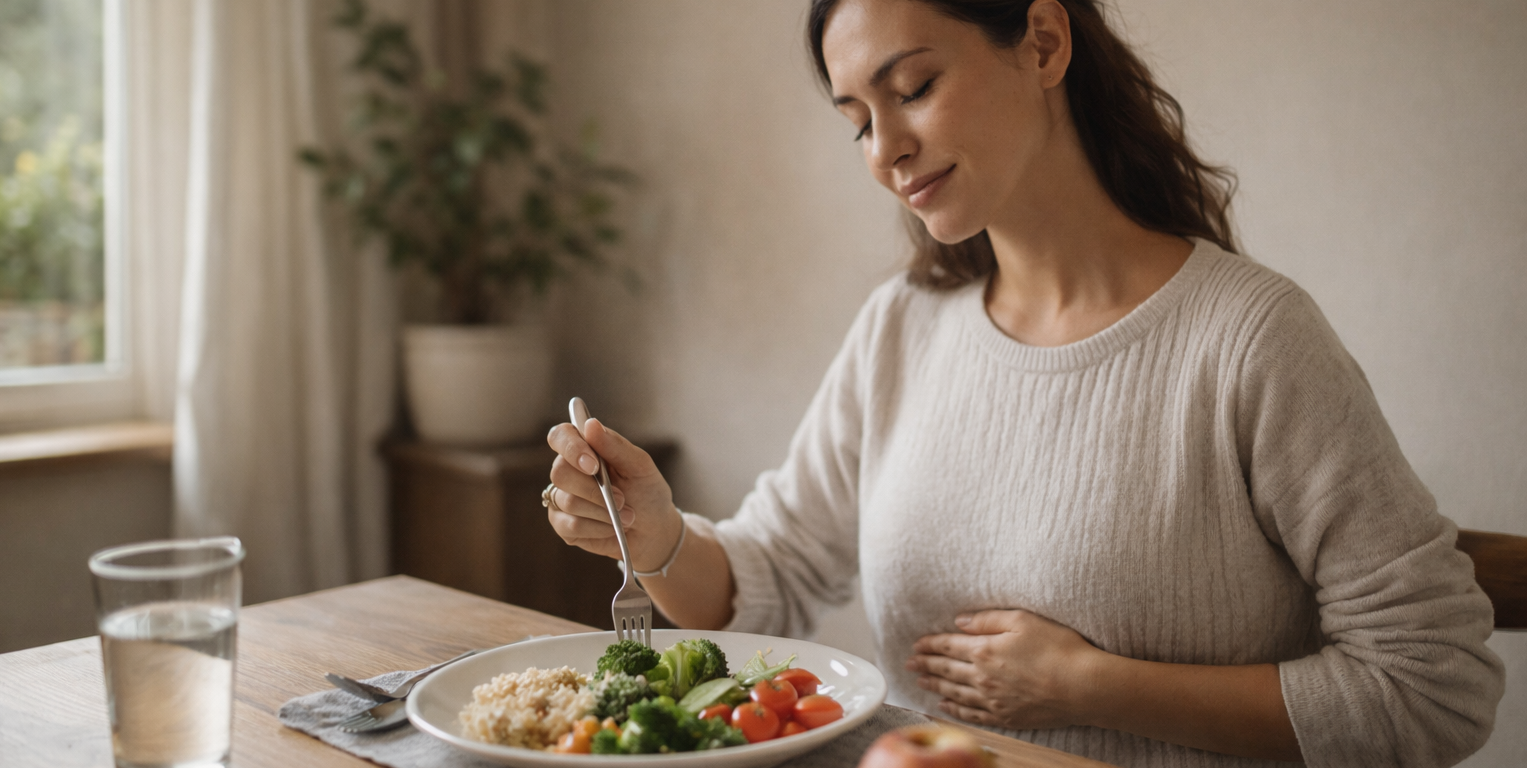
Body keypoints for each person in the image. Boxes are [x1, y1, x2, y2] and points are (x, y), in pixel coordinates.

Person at [541, 1, 1505, 765]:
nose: (885, 151)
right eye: (857, 123)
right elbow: (769, 579)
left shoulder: (1249, 340)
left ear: (1042, 42)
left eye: (913, 87)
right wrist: (660, 535)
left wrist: (1090, 685)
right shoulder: (902, 329)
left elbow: (1435, 685)